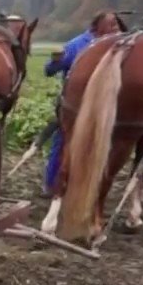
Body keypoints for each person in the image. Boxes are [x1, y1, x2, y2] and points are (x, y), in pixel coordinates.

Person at [43, 10, 125, 195]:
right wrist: (56, 61)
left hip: (102, 106)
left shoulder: (117, 46)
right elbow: (48, 70)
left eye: (117, 25)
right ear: (97, 26)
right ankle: (51, 183)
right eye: (111, 25)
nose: (116, 28)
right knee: (63, 142)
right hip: (76, 106)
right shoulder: (77, 44)